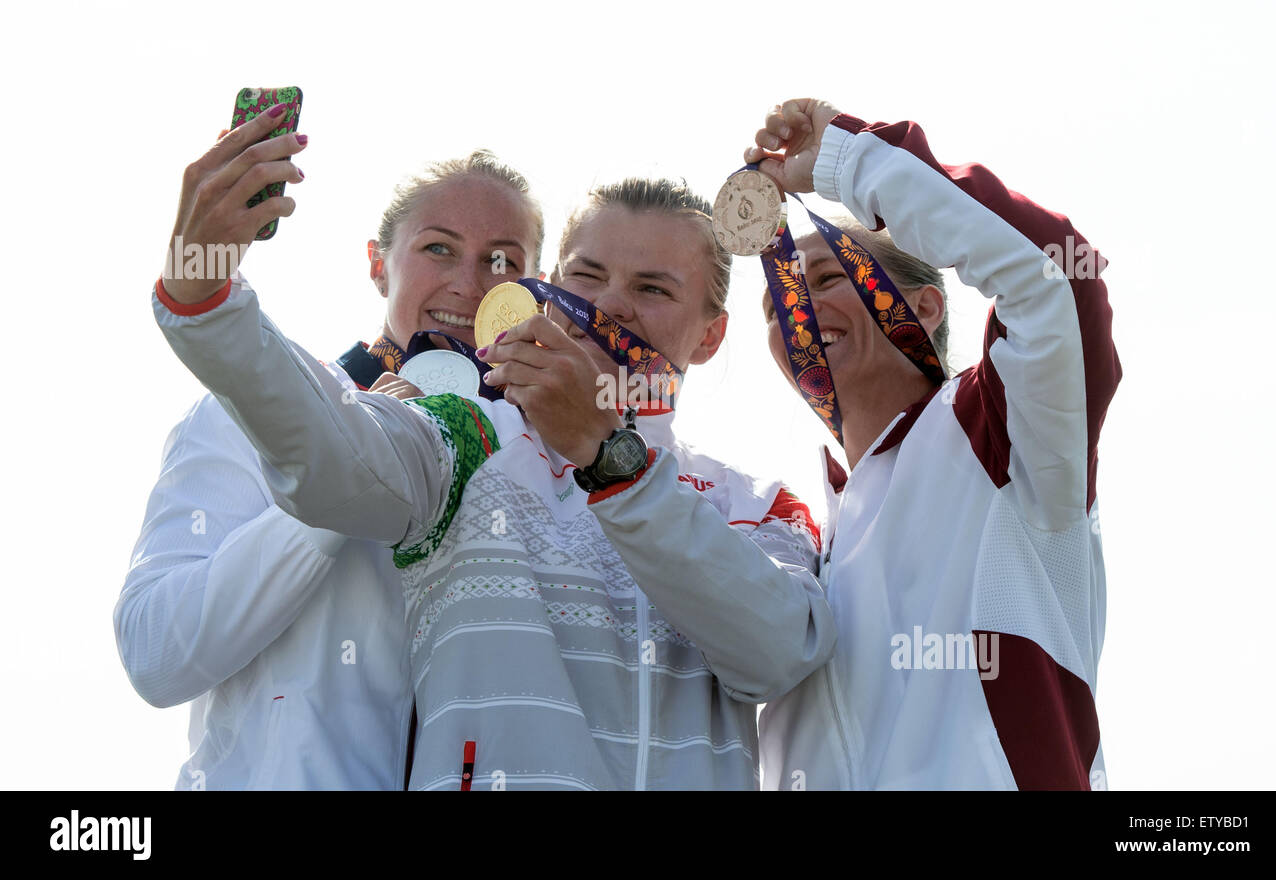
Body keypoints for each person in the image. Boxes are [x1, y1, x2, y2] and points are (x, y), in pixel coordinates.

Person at [151, 112, 835, 789]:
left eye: (653, 288)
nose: (612, 306)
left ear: (711, 335)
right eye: (587, 277)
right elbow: (335, 459)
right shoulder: (468, 434)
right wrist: (206, 298)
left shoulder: (759, 505)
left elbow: (776, 654)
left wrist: (610, 458)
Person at [116, 101, 544, 789]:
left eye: (502, 261)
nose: (468, 283)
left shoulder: (547, 465)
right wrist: (338, 472)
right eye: (437, 248)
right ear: (379, 265)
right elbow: (156, 655)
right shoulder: (238, 413)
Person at [748, 99, 1121, 790]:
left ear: (923, 305)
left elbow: (1057, 279)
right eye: (778, 301)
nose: (799, 309)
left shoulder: (1000, 437)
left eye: (827, 278)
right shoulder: (794, 543)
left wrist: (846, 160)